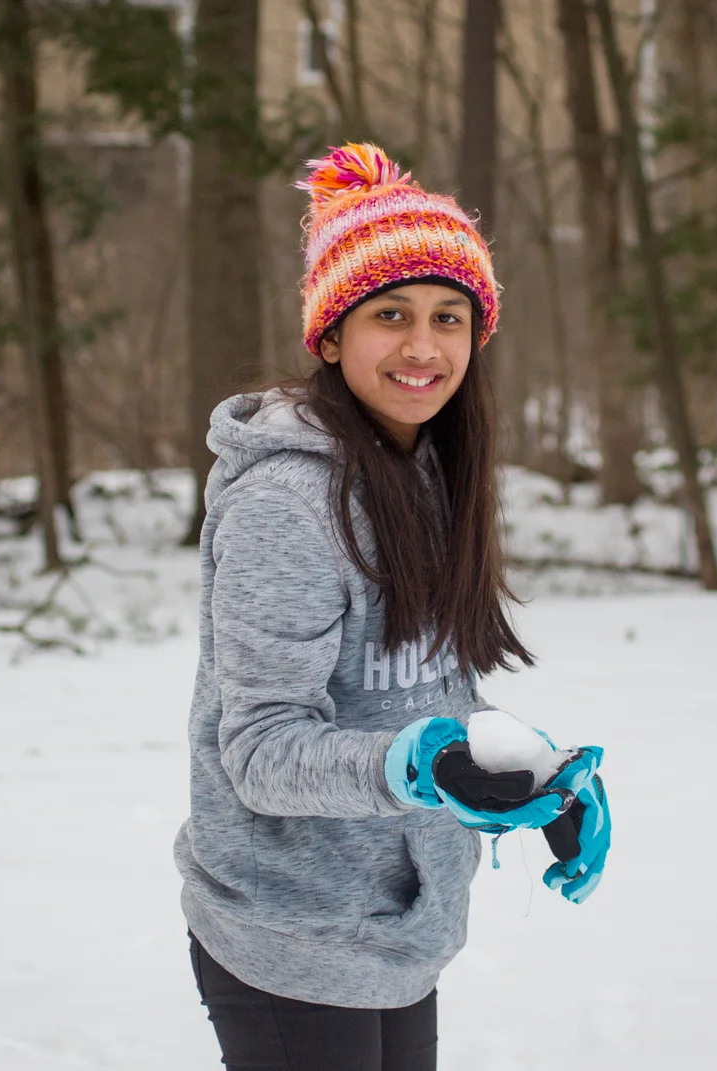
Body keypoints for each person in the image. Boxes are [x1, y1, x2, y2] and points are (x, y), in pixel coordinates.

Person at [173, 143, 611, 1071]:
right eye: (391, 315)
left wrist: (542, 774)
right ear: (331, 336)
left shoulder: (422, 472)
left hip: (399, 927)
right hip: (289, 932)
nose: (424, 346)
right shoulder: (286, 506)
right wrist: (417, 766)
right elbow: (258, 751)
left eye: (449, 317)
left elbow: (424, 701)